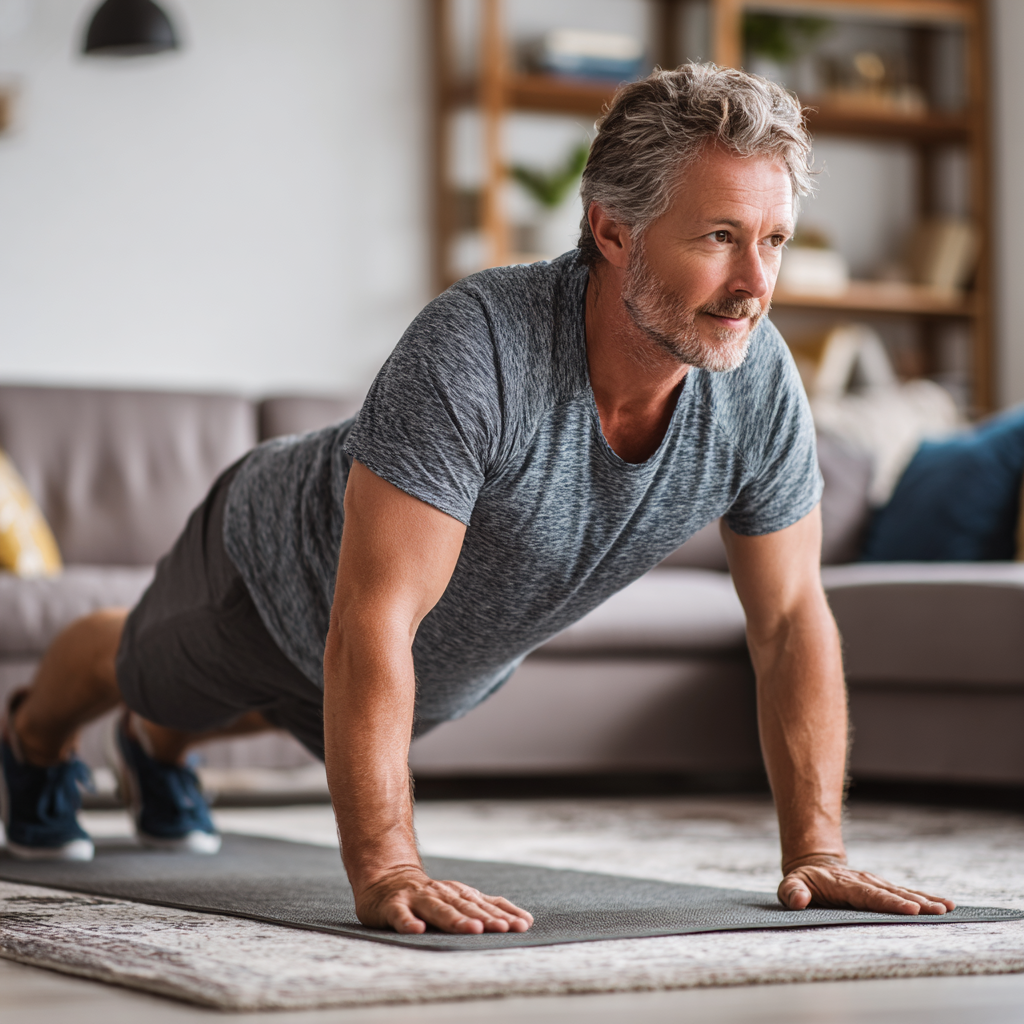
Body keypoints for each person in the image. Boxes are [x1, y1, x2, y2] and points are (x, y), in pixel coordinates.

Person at [0, 64, 954, 933]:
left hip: (437, 660)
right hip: (266, 566)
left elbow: (789, 620)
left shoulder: (758, 386)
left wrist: (817, 853)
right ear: (611, 229)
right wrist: (387, 868)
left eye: (775, 240)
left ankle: (160, 754)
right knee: (153, 669)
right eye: (719, 237)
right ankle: (36, 741)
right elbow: (370, 620)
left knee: (264, 706)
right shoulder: (478, 346)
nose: (756, 284)